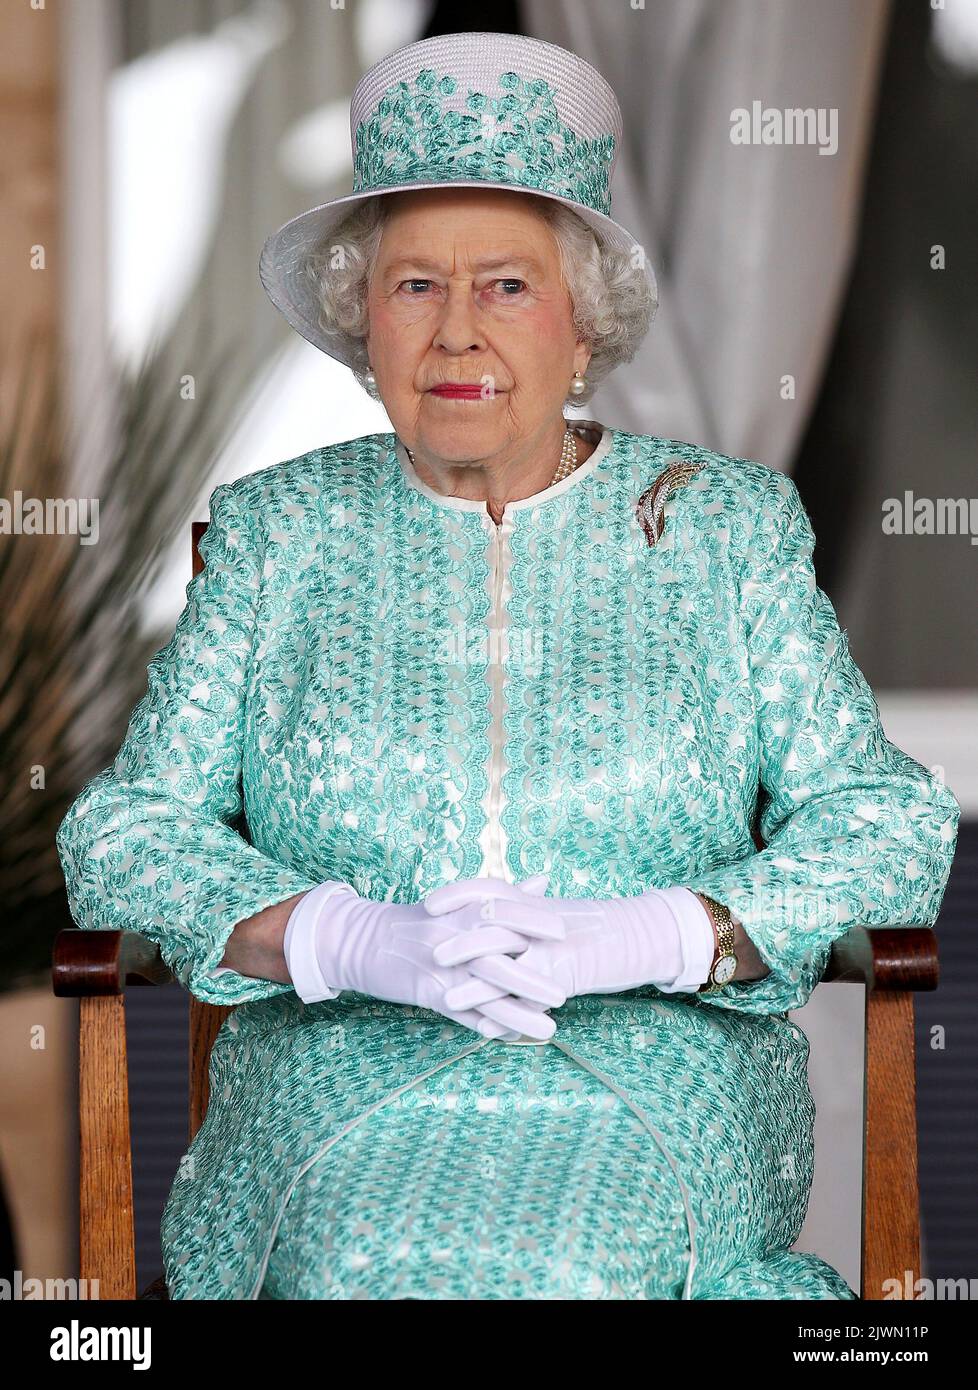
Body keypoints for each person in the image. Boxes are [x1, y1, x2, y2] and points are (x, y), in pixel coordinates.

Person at [56, 31, 959, 1301]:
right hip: (338, 1079)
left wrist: (659, 931)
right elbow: (124, 832)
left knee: (584, 1262)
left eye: (509, 287)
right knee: (367, 1255)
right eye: (416, 286)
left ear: (585, 323)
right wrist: (343, 938)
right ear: (361, 324)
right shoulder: (279, 533)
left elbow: (887, 824)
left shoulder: (723, 526)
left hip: (658, 1073)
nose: (457, 333)